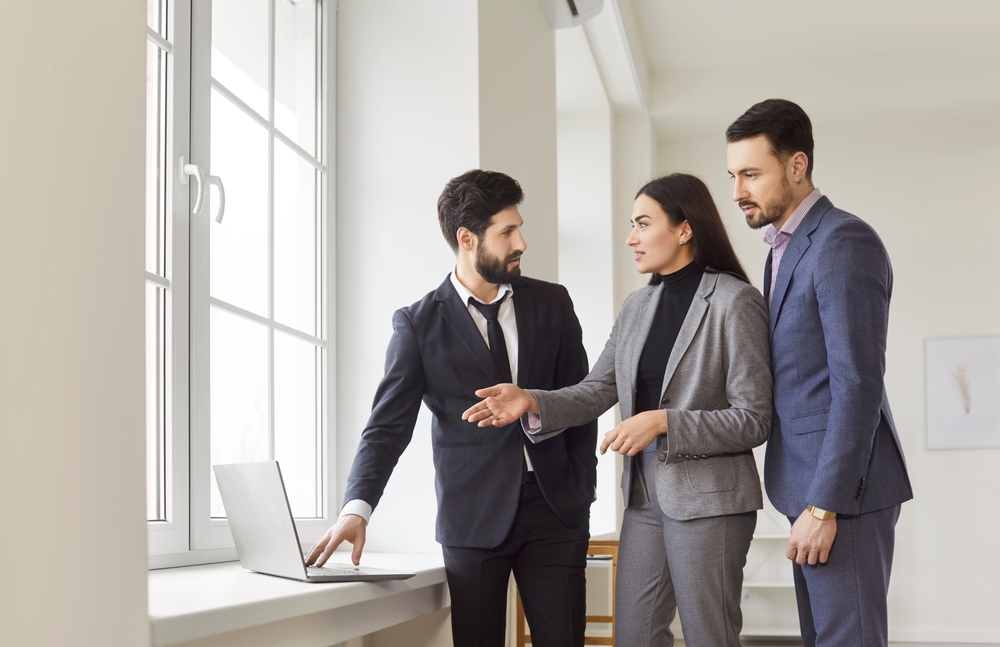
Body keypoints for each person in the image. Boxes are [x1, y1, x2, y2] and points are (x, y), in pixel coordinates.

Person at [464, 173, 772, 647]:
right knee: (635, 637)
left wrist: (664, 422)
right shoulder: (637, 306)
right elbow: (597, 389)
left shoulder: (735, 301)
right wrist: (532, 399)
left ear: (685, 229)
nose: (631, 238)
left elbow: (754, 419)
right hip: (645, 498)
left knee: (709, 637)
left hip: (711, 503)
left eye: (643, 224)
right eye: (632, 225)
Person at [305, 170, 597, 647]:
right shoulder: (418, 325)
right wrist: (357, 508)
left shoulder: (552, 303)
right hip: (472, 517)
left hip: (556, 510)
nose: (521, 243)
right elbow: (386, 428)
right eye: (507, 232)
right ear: (467, 238)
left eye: (519, 228)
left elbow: (581, 398)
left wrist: (583, 483)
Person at [726, 99, 913, 647]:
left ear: (797, 165)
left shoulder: (842, 241)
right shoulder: (783, 248)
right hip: (808, 488)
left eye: (751, 174)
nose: (737, 190)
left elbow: (857, 384)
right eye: (733, 175)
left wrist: (824, 503)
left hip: (841, 496)